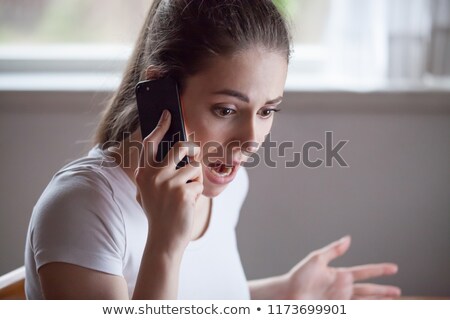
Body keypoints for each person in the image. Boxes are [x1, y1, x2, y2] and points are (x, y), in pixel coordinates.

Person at [24, 0, 401, 299]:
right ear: (160, 92)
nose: (251, 139)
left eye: (267, 110)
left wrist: (283, 295)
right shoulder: (83, 207)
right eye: (226, 110)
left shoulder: (228, 185)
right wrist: (166, 243)